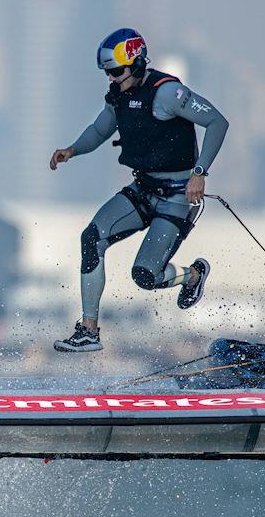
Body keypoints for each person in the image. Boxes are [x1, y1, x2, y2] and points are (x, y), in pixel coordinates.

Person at [50, 28, 229, 352]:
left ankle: (192, 276)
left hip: (177, 197)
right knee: (91, 237)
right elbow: (100, 129)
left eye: (117, 71)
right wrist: (72, 150)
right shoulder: (118, 96)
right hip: (142, 189)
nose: (112, 79)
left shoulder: (168, 93)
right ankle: (89, 331)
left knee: (146, 276)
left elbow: (217, 122)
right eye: (107, 73)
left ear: (136, 63)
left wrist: (199, 174)